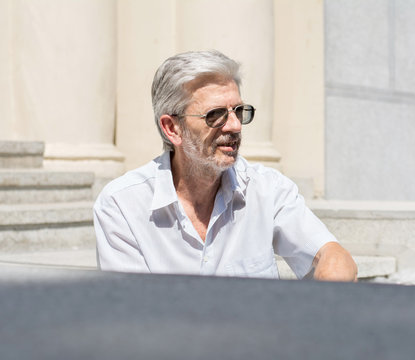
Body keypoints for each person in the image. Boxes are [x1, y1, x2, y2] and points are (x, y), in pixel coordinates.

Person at [94, 50, 357, 281]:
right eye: (215, 115)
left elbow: (331, 254)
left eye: (239, 111)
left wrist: (333, 271)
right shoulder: (122, 205)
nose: (234, 126)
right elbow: (131, 314)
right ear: (172, 128)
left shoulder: (267, 189)